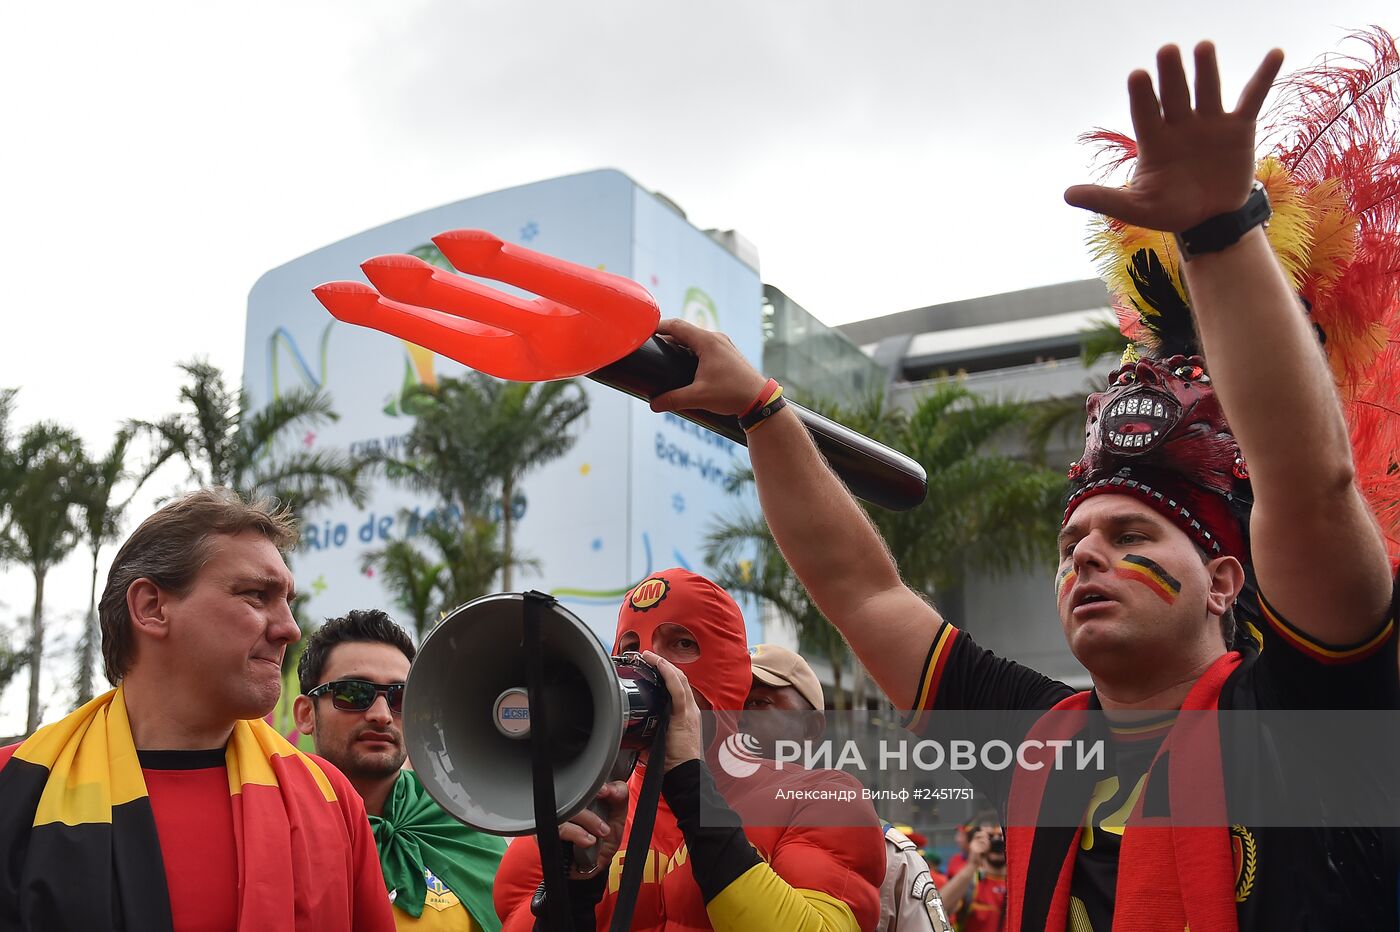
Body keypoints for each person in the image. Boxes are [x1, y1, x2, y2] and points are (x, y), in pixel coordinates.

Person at [644, 40, 1400, 931]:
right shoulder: (1035, 738)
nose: (1087, 560)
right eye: (1071, 546)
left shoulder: (1312, 718)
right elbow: (862, 590)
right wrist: (761, 410)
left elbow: (1307, 485)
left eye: (1132, 540)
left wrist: (1219, 230)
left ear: (1225, 582)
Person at [0, 488, 397, 931]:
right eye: (255, 595)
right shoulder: (13, 787)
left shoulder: (332, 799)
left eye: (288, 601)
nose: (290, 628)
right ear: (151, 608)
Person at [493, 567, 887, 931]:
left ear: (731, 673)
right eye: (629, 647)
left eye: (682, 643)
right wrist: (577, 883)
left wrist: (690, 787)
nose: (648, 662)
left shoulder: (822, 799)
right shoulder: (572, 812)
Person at [295, 609, 508, 931]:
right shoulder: (279, 826)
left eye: (400, 697)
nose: (381, 714)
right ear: (306, 714)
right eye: (354, 693)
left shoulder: (462, 821)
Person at [744, 642, 951, 932]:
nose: (735, 717)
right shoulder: (685, 829)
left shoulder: (889, 855)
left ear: (813, 727)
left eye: (757, 703)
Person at [937, 816, 1006, 932]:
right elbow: (936, 910)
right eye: (990, 837)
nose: (996, 841)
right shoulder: (971, 883)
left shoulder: (1022, 884)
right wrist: (972, 864)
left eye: (1001, 836)